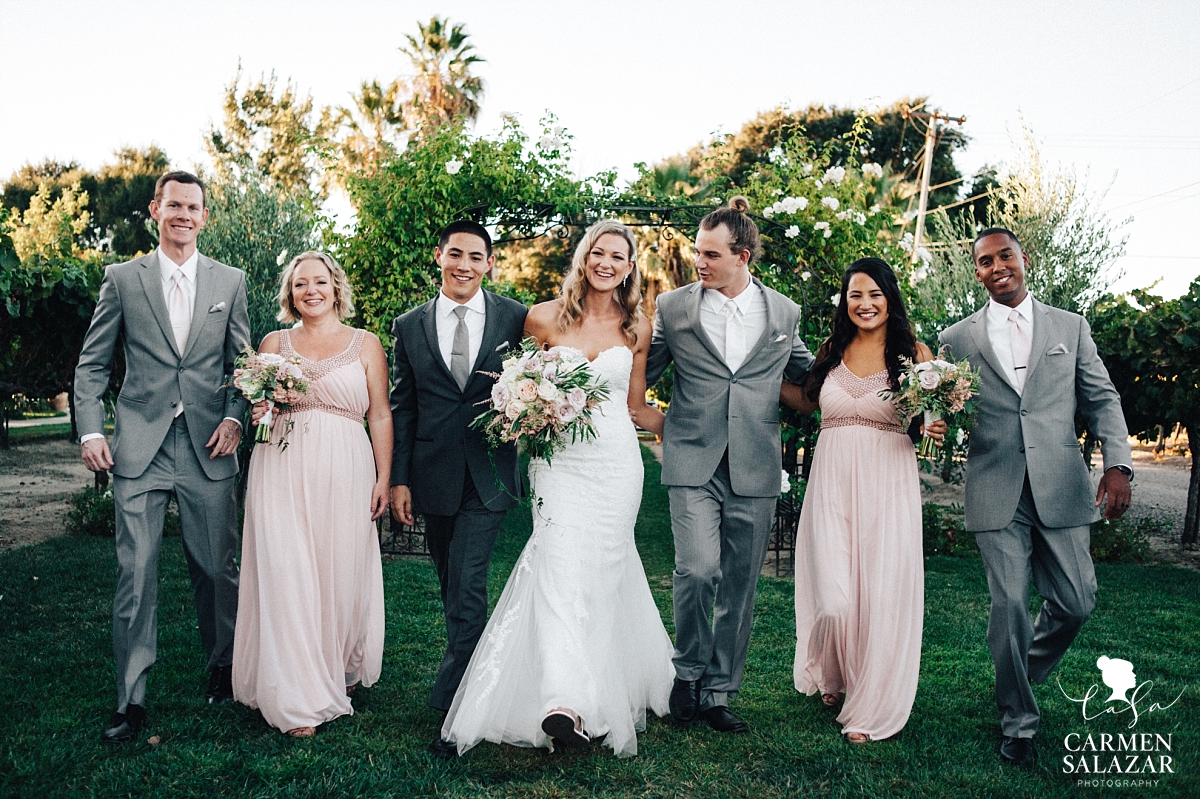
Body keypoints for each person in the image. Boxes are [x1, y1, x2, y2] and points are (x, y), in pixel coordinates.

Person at [441, 219, 674, 758]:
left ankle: (593, 691)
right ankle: (563, 703)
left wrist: (696, 428)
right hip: (560, 464)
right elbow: (515, 384)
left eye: (618, 256)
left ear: (630, 266)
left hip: (617, 464)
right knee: (558, 566)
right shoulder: (542, 318)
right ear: (583, 257)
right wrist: (524, 408)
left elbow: (636, 406)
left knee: (604, 569)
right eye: (598, 252)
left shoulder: (638, 327)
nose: (607, 263)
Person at [939, 227, 1133, 768]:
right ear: (975, 271)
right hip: (995, 485)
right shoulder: (957, 338)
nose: (997, 266)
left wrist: (1118, 465)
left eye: (1005, 256)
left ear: (1025, 259)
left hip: (1062, 484)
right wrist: (932, 421)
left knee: (1077, 601)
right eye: (984, 261)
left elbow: (1101, 397)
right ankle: (1018, 721)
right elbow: (943, 408)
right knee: (1010, 604)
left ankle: (1018, 669)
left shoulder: (1070, 328)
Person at [74, 171, 249, 743]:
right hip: (139, 447)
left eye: (193, 207)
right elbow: (93, 365)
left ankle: (222, 672)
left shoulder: (231, 280)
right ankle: (131, 701)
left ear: (204, 216)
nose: (183, 214)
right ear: (155, 210)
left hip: (207, 447)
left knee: (217, 569)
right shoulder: (123, 279)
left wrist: (233, 417)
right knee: (136, 572)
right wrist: (90, 432)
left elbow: (243, 367)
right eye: (173, 204)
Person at [645, 197, 815, 734]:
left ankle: (719, 691)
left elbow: (810, 377)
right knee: (697, 570)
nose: (699, 261)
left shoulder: (784, 312)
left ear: (742, 257)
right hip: (692, 457)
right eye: (697, 251)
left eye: (711, 254)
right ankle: (688, 671)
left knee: (740, 582)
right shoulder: (674, 308)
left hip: (756, 463)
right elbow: (638, 369)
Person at [780, 258, 945, 744]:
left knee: (878, 592)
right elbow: (808, 400)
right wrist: (754, 376)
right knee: (833, 595)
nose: (865, 303)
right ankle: (834, 673)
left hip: (887, 485)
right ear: (845, 302)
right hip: (830, 482)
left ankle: (870, 708)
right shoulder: (834, 349)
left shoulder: (914, 354)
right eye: (855, 295)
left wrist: (934, 423)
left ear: (889, 298)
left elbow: (925, 420)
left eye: (874, 294)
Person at [232, 252, 390, 737]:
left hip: (345, 468)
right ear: (290, 293)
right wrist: (262, 406)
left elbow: (380, 414)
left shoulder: (366, 344)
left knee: (335, 569)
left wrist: (384, 477)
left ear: (335, 287)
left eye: (319, 281)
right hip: (279, 465)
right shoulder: (274, 343)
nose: (311, 290)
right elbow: (259, 408)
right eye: (301, 284)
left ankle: (330, 666)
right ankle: (296, 693)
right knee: (286, 569)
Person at [389, 220, 529, 758]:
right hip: (432, 475)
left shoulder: (516, 318)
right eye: (455, 254)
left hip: (490, 474)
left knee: (468, 583)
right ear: (439, 256)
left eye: (475, 256)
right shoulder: (409, 325)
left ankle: (458, 705)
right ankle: (467, 673)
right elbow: (403, 406)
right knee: (452, 583)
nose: (464, 265)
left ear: (490, 263)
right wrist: (399, 477)